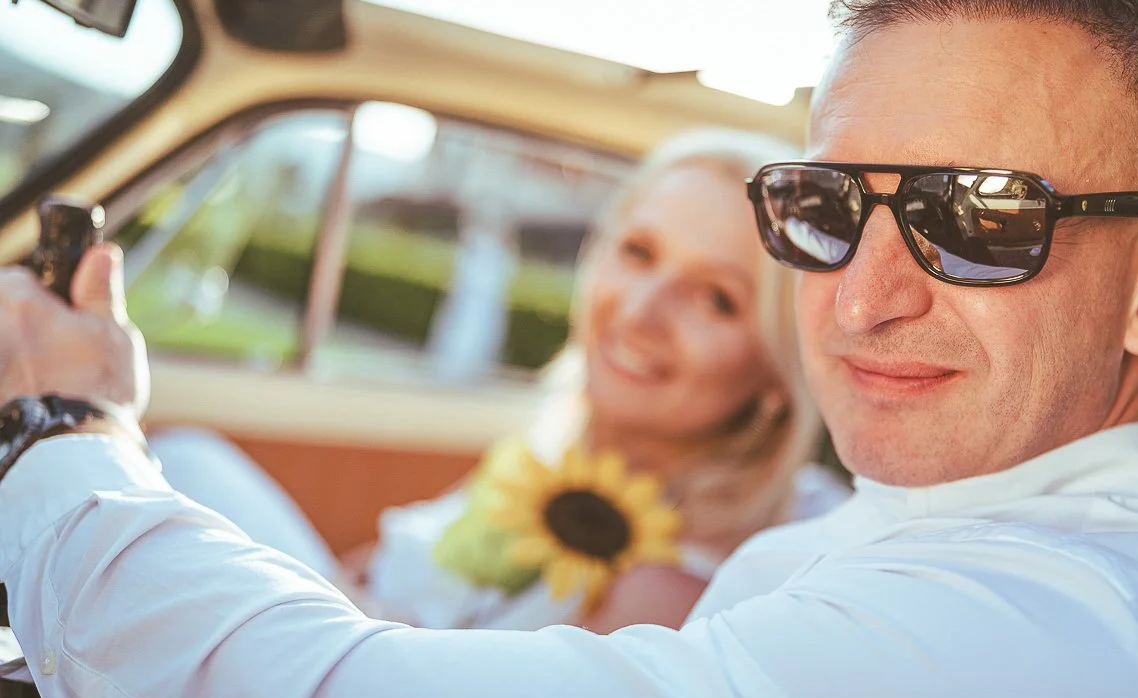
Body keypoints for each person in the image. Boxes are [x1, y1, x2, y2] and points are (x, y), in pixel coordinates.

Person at [0, 0, 1138, 698]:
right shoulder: (912, 551)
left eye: (976, 218)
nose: (862, 300)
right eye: (824, 209)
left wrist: (73, 431)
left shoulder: (1043, 656)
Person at [148, 129, 842, 634]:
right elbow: (394, 560)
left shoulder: (667, 597)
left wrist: (353, 611)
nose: (638, 312)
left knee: (183, 464)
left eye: (714, 298)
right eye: (637, 253)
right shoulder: (554, 459)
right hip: (335, 639)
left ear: (779, 376)